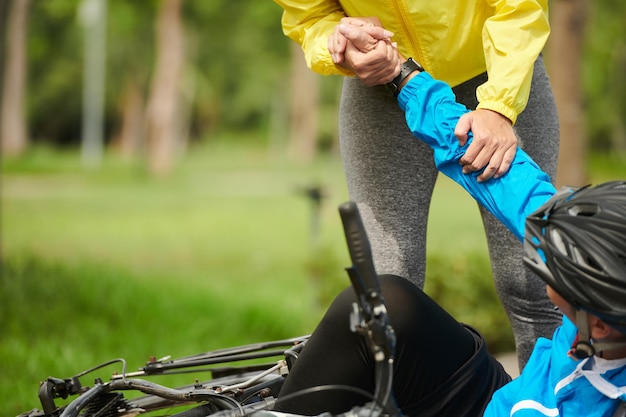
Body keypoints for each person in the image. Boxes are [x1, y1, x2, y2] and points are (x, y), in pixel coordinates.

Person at [272, 60, 626, 417]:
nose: (546, 256)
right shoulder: (584, 265)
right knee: (382, 304)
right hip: (498, 404)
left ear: (598, 323)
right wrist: (401, 74)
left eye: (554, 273)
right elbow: (494, 168)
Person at [272, 1, 562, 369]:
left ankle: (561, 403)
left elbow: (519, 6)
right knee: (386, 294)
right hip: (382, 81)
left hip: (499, 69)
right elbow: (310, 15)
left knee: (535, 280)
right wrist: (339, 42)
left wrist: (500, 105)